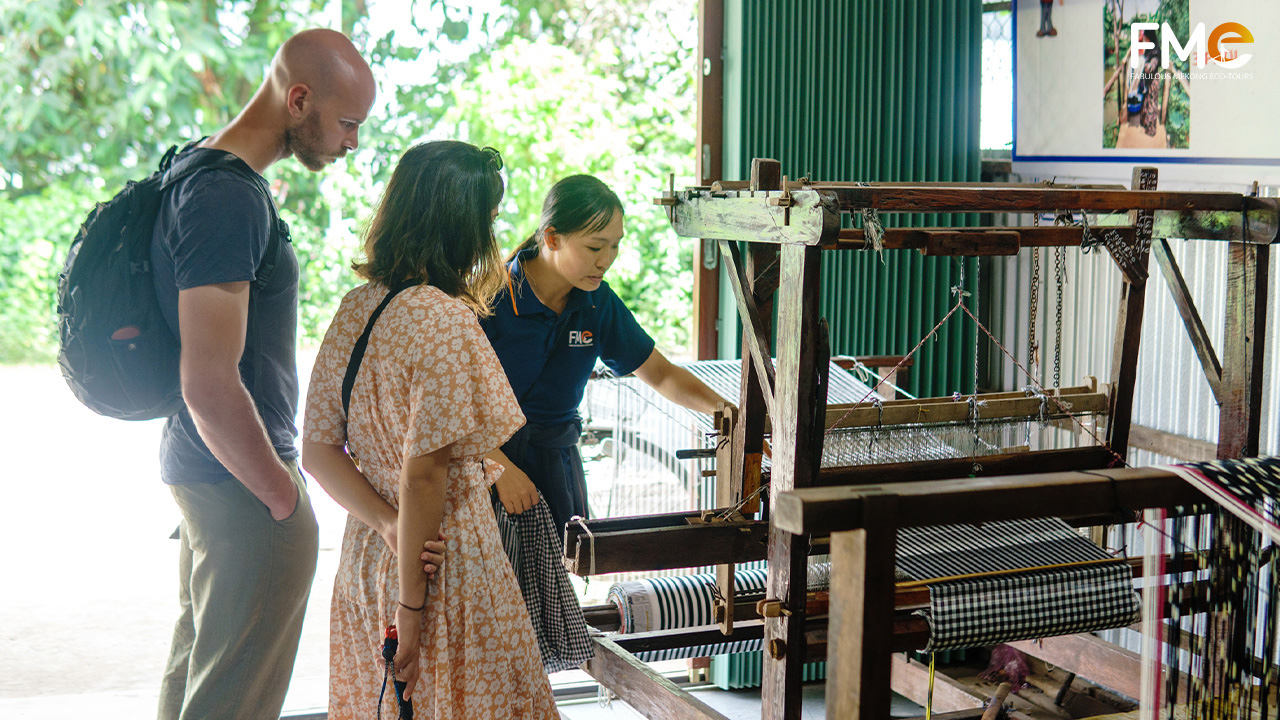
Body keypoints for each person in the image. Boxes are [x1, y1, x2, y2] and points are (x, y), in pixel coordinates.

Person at [149, 28, 451, 720]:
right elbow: (209, 381)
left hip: (206, 475)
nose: (351, 142)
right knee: (232, 699)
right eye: (347, 123)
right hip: (240, 485)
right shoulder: (227, 197)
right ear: (298, 99)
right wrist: (282, 497)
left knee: (201, 677)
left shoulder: (197, 169)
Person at [302, 141, 558, 719]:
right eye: (488, 218)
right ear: (460, 225)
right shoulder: (444, 319)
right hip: (445, 563)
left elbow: (318, 451)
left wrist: (386, 525)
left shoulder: (355, 308)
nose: (493, 233)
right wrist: (410, 612)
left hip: (371, 555)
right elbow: (425, 476)